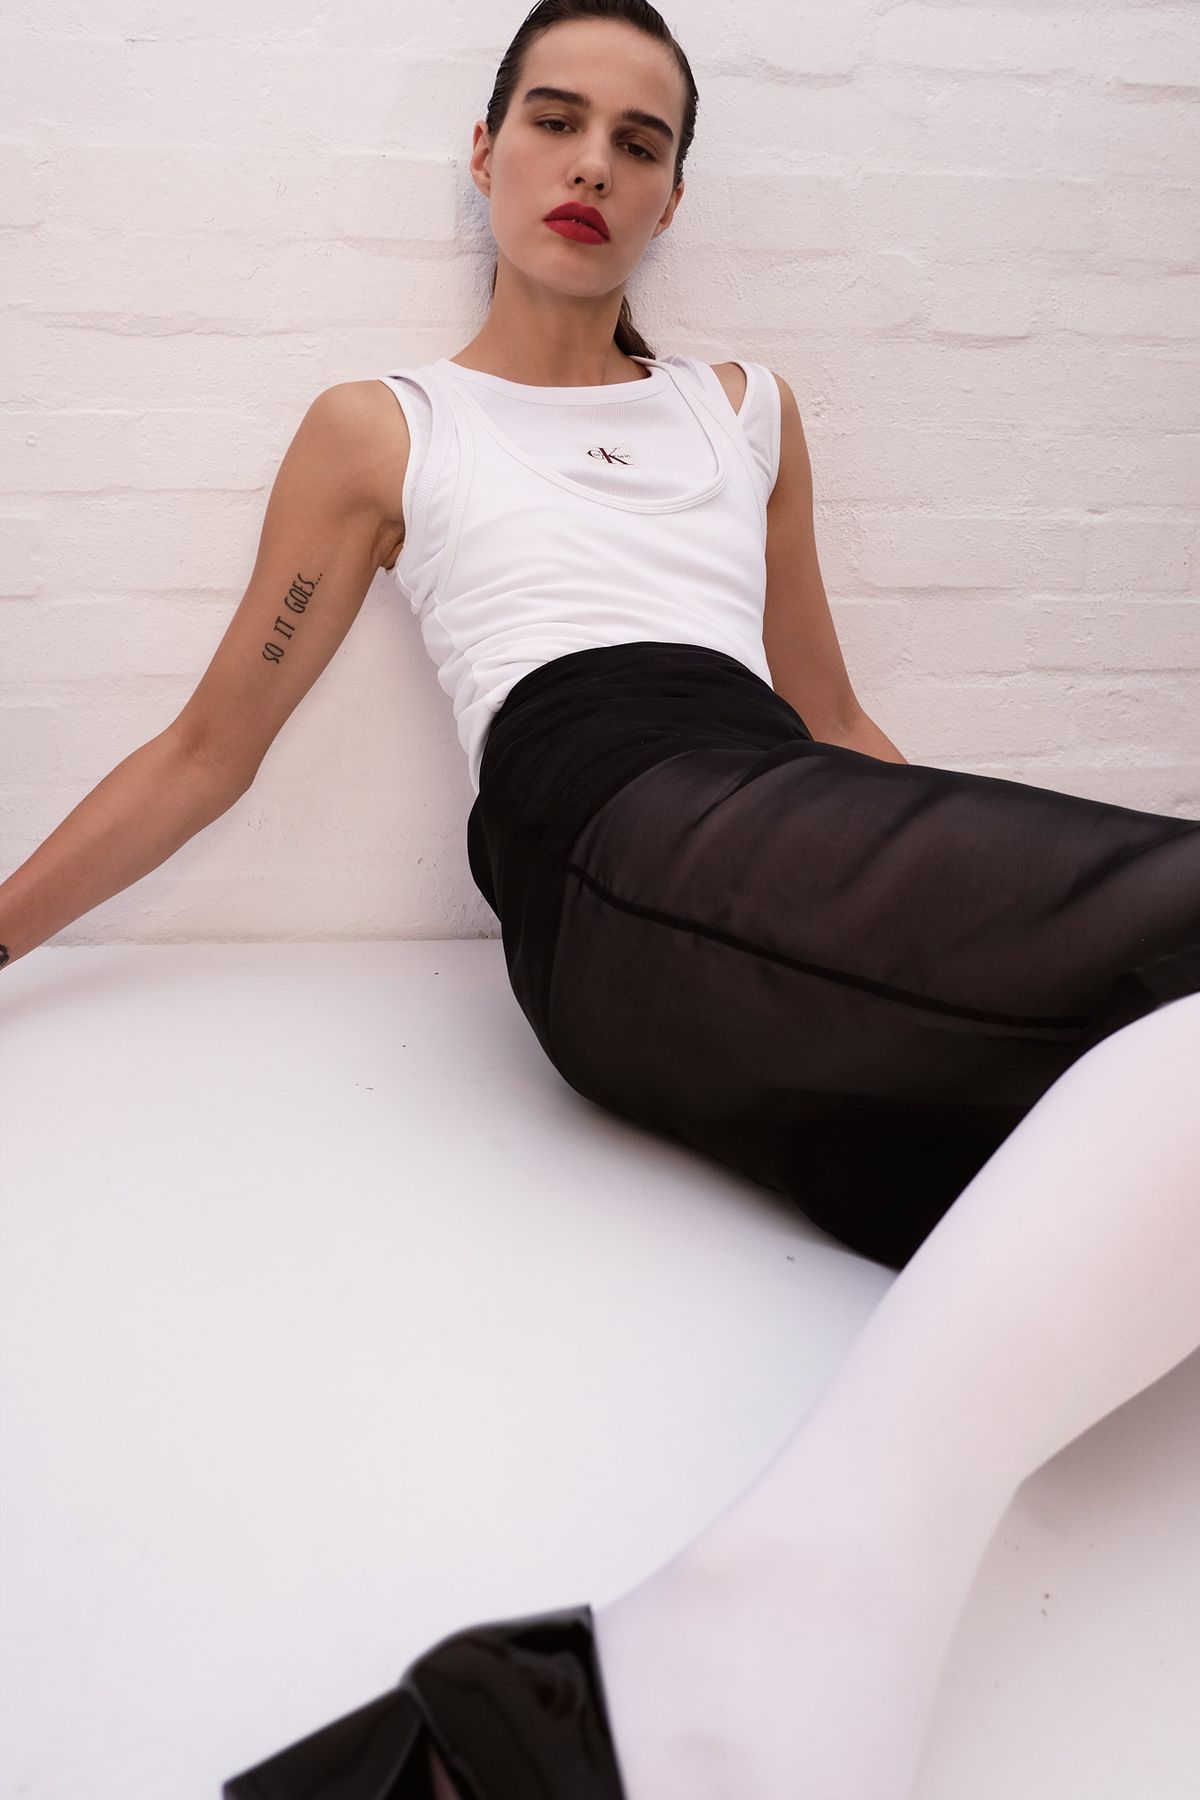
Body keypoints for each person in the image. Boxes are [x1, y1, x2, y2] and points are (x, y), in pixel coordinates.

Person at [2, 4, 1196, 1798]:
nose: (591, 165)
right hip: (607, 838)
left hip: (768, 815)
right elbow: (207, 751)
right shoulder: (386, 426)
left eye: (638, 143)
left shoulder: (747, 412)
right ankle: (725, 1669)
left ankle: (676, 1681)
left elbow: (833, 717)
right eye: (553, 123)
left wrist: (958, 868)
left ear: (673, 195)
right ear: (482, 155)